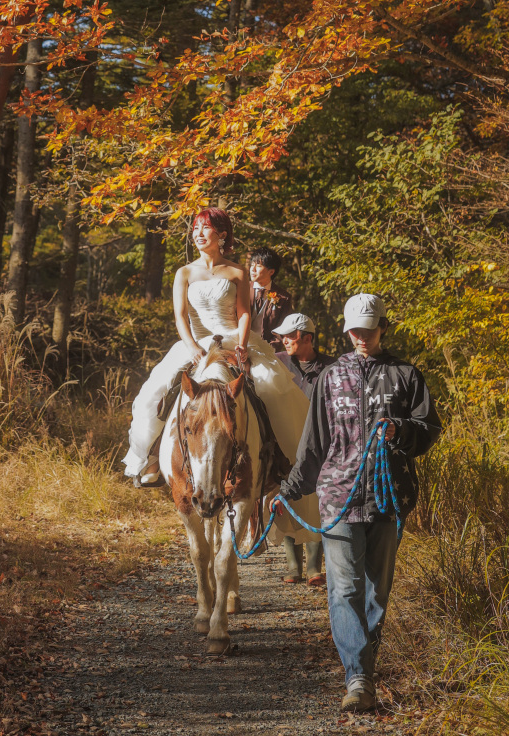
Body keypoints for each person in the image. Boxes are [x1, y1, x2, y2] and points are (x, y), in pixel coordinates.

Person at [272, 293, 442, 714]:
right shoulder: (331, 378)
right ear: (345, 330)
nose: (361, 337)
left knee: (375, 592)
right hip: (338, 497)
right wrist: (288, 492)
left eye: (369, 329)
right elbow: (314, 446)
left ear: (383, 326)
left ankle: (364, 664)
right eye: (355, 330)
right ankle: (358, 677)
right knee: (343, 588)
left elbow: (430, 429)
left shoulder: (406, 374)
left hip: (387, 498)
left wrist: (401, 429)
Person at [121, 209, 321, 553]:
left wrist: (242, 345)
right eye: (196, 229)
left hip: (232, 341)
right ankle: (152, 460)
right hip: (195, 345)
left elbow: (244, 312)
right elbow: (181, 317)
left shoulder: (237, 271)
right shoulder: (184, 272)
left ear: (222, 236)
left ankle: (280, 461)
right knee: (157, 393)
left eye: (206, 229)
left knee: (270, 390)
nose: (199, 235)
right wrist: (192, 348)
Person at [271, 312, 336, 586]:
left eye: (290, 336)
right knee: (288, 495)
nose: (284, 341)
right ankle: (293, 566)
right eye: (282, 336)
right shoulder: (278, 364)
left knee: (318, 498)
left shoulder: (332, 367)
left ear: (306, 338)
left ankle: (314, 567)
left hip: (321, 443)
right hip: (286, 441)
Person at [249, 248, 293, 347]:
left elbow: (282, 329)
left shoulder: (283, 297)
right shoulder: (241, 289)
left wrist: (269, 350)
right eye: (252, 265)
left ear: (271, 272)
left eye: (258, 266)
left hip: (266, 350)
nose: (253, 269)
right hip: (238, 346)